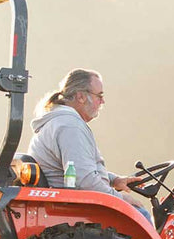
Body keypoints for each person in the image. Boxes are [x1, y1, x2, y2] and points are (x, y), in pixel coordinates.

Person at [27, 69, 151, 220]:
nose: (102, 101)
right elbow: (84, 180)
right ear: (81, 96)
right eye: (99, 96)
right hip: (75, 211)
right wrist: (120, 198)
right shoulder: (70, 126)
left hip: (67, 204)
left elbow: (75, 168)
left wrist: (113, 180)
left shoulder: (59, 122)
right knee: (141, 214)